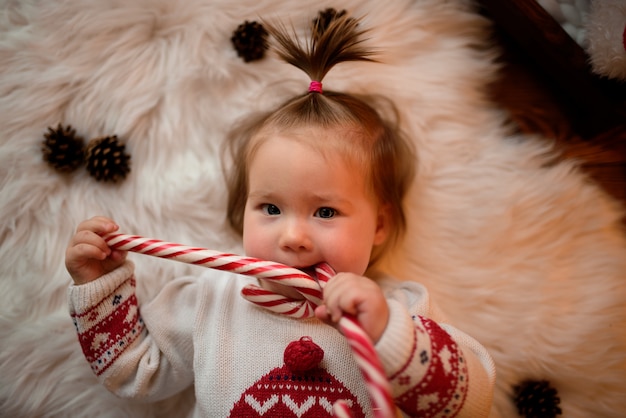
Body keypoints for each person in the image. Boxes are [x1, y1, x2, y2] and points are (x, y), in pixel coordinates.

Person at [66, 15, 495, 417]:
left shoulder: (400, 309)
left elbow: (473, 403)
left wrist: (390, 334)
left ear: (379, 226)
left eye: (325, 211)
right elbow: (133, 372)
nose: (293, 236)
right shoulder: (209, 300)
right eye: (271, 208)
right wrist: (100, 286)